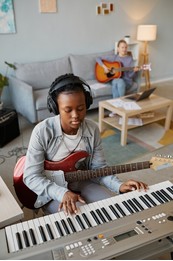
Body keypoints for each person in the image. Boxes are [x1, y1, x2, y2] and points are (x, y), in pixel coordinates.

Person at [23, 73, 148, 215]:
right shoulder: (42, 131)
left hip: (78, 180)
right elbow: (31, 176)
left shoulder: (92, 129)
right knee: (77, 218)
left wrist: (118, 185)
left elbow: (99, 169)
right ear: (56, 107)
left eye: (81, 108)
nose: (75, 115)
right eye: (68, 110)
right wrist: (61, 193)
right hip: (50, 189)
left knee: (111, 209)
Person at [96, 39, 139, 117]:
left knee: (119, 82)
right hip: (116, 80)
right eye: (122, 47)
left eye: (126, 47)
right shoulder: (113, 57)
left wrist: (134, 71)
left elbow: (130, 76)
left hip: (127, 82)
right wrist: (105, 67)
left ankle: (115, 109)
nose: (124, 49)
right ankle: (121, 108)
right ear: (118, 48)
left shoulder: (130, 59)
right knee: (117, 81)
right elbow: (98, 58)